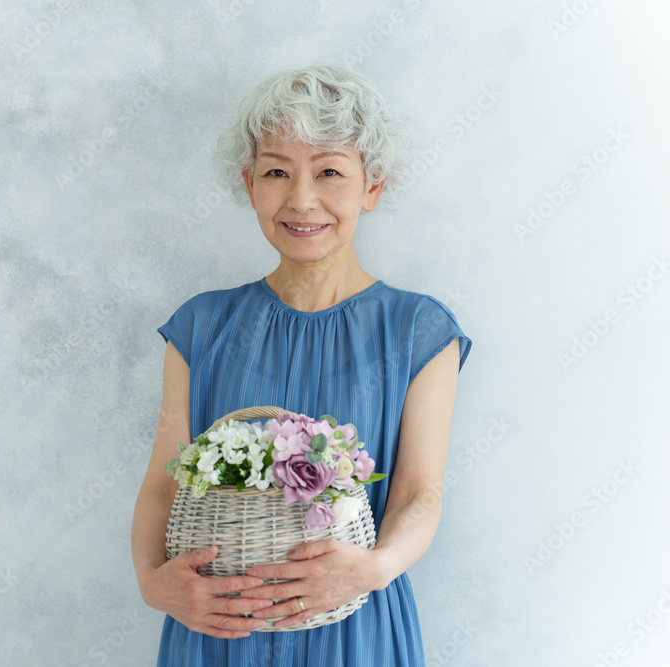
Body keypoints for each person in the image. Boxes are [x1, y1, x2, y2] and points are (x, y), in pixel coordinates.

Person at [130, 63, 473, 666]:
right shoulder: (201, 327)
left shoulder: (417, 330)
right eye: (277, 172)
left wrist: (371, 569)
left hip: (356, 627)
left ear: (373, 186)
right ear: (250, 183)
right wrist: (151, 581)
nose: (302, 199)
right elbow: (163, 486)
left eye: (330, 172)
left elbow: (420, 494)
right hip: (218, 630)